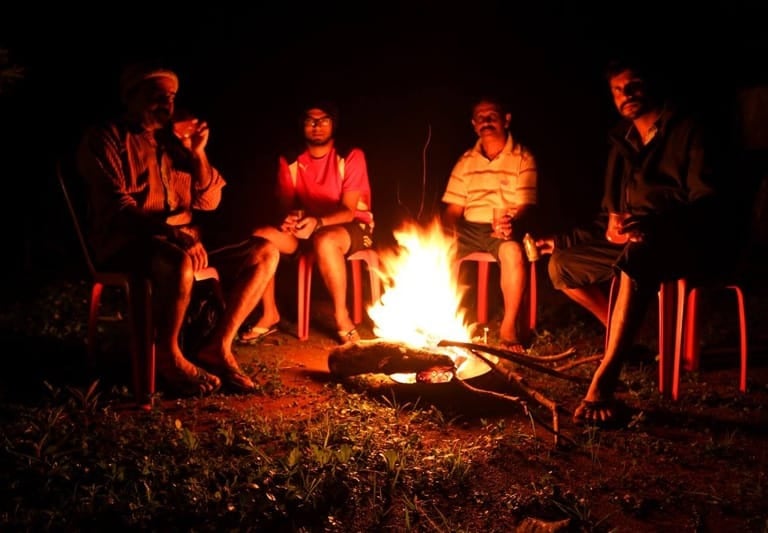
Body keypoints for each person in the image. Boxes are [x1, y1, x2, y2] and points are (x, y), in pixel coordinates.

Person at [535, 54, 732, 425]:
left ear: (651, 85)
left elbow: (708, 203)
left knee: (639, 251)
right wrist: (562, 241)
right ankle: (625, 331)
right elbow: (607, 219)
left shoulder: (688, 130)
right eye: (617, 91)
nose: (626, 95)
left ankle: (605, 379)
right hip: (633, 241)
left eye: (633, 86)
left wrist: (655, 223)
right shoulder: (621, 142)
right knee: (561, 265)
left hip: (683, 239)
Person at [77, 62, 264, 396]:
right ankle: (168, 353)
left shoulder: (176, 142)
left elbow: (209, 202)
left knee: (265, 251)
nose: (166, 103)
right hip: (128, 240)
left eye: (171, 96)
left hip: (186, 238)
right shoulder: (105, 138)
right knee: (178, 261)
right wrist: (173, 235)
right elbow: (119, 208)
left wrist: (198, 154)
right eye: (156, 95)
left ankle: (218, 345)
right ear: (130, 97)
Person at [236, 100, 374, 345]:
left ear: (334, 124)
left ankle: (341, 317)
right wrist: (290, 217)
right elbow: (285, 207)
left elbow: (348, 210)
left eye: (324, 120)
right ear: (302, 124)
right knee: (262, 234)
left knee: (325, 240)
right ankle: (269, 313)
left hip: (352, 225)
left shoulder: (351, 155)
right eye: (311, 120)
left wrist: (318, 222)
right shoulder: (290, 160)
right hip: (308, 226)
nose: (317, 126)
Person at [440, 95, 538, 353]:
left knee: (513, 252)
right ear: (473, 124)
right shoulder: (465, 161)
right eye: (480, 118)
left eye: (491, 116)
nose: (485, 121)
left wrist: (511, 223)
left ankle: (508, 328)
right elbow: (453, 209)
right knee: (437, 247)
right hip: (470, 228)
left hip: (503, 226)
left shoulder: (522, 157)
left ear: (506, 120)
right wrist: (444, 232)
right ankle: (440, 316)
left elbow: (527, 205)